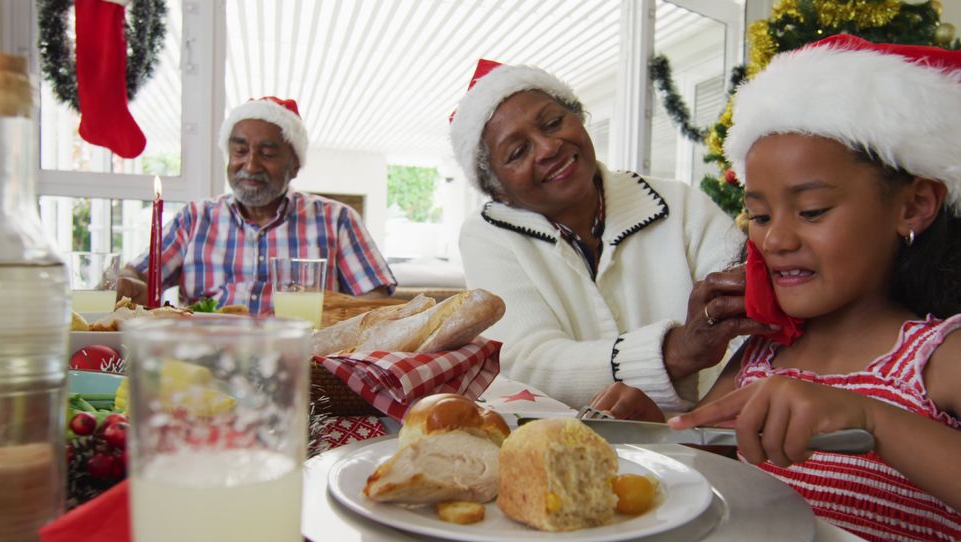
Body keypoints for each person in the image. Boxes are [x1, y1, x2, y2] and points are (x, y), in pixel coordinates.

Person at [669, 35, 961, 542]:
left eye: (813, 210)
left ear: (914, 206)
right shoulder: (762, 355)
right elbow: (709, 478)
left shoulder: (950, 358)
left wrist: (876, 422)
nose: (775, 240)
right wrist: (661, 440)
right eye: (760, 214)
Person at [451, 60, 777, 420]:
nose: (547, 148)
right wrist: (675, 352)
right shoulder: (487, 236)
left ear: (579, 117)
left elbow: (752, 323)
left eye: (554, 122)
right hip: (563, 448)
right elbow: (527, 361)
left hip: (714, 434)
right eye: (517, 152)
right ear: (497, 190)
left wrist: (696, 422)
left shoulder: (680, 204)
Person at [117, 96, 395, 314]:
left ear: (295, 164)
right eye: (239, 151)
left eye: (268, 153)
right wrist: (124, 283)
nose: (250, 165)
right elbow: (138, 275)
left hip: (305, 363)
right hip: (204, 359)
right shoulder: (195, 218)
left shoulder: (336, 219)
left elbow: (375, 301)